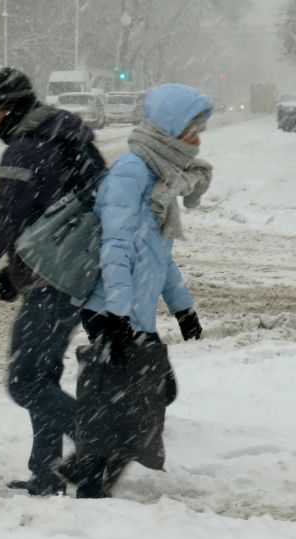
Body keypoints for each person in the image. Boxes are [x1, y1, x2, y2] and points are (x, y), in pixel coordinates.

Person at [0, 67, 106, 496]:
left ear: (12, 109)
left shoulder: (27, 150)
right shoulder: (72, 139)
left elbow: (0, 223)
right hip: (80, 274)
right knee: (43, 376)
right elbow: (63, 217)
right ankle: (47, 473)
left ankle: (98, 441)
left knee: (25, 381)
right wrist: (16, 273)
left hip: (53, 280)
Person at [59, 83, 212, 498]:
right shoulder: (131, 173)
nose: (198, 141)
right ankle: (91, 481)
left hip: (130, 309)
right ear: (169, 129)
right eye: (192, 131)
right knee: (134, 398)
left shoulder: (162, 177)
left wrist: (183, 307)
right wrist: (118, 315)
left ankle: (86, 469)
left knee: (140, 394)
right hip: (109, 307)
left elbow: (158, 255)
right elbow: (115, 248)